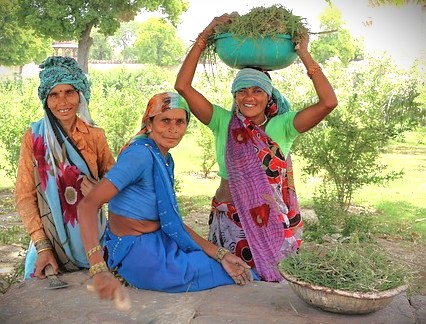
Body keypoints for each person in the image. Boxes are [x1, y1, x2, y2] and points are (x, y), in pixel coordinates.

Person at [174, 14, 338, 282]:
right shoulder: (223, 122)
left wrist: (304, 53)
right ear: (235, 96)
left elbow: (328, 102)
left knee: (272, 283)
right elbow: (182, 86)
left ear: (268, 96)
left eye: (257, 91)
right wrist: (204, 35)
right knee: (230, 283)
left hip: (270, 221)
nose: (249, 97)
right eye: (242, 91)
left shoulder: (283, 126)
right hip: (230, 221)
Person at [77, 92, 254, 300]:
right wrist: (98, 269)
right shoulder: (140, 155)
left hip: (160, 241)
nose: (173, 129)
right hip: (140, 254)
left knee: (223, 263)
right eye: (165, 121)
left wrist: (220, 253)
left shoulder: (165, 159)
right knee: (230, 273)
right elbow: (87, 206)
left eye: (180, 122)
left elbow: (172, 221)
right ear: (149, 123)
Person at [15, 56, 115, 280]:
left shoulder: (95, 137)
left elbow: (116, 183)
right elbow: (24, 196)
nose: (62, 102)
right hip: (49, 243)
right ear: (46, 100)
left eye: (69, 92)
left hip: (94, 242)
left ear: (80, 94)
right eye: (54, 94)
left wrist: (100, 191)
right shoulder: (34, 138)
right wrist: (42, 245)